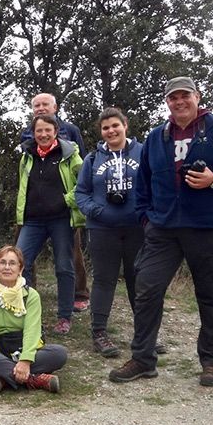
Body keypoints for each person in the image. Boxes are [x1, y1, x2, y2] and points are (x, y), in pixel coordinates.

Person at [109, 77, 213, 387]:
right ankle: (143, 359)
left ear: (197, 97)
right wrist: (147, 219)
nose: (179, 102)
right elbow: (143, 183)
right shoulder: (157, 137)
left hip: (208, 228)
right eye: (173, 97)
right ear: (167, 102)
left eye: (184, 96)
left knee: (210, 294)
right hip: (163, 230)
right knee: (146, 289)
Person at [74, 107, 144, 356]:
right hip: (103, 229)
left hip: (138, 229)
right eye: (105, 128)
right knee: (104, 280)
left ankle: (145, 334)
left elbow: (156, 183)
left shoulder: (142, 152)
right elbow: (80, 192)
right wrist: (95, 211)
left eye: (115, 125)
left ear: (125, 125)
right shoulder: (93, 158)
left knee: (139, 281)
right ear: (101, 132)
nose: (111, 131)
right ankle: (100, 333)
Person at [15, 114, 85, 335]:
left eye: (47, 130)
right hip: (33, 220)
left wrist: (65, 200)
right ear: (33, 133)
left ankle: (64, 317)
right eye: (39, 131)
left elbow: (84, 183)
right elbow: (23, 186)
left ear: (56, 131)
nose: (43, 134)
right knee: (19, 262)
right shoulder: (27, 156)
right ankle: (22, 311)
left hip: (61, 219)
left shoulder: (69, 154)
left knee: (64, 266)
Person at [0, 246, 67, 393]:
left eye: (12, 263)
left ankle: (4, 378)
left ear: (20, 269)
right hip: (0, 349)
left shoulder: (31, 295)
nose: (7, 267)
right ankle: (35, 380)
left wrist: (25, 360)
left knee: (59, 354)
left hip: (27, 347)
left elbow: (32, 329)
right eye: (2, 263)